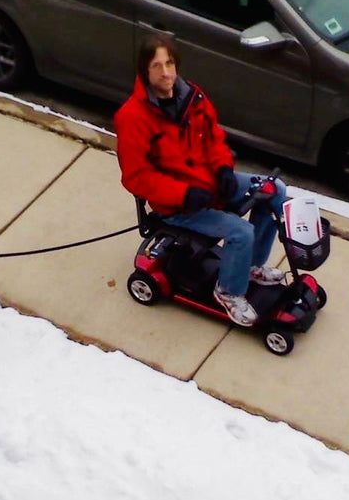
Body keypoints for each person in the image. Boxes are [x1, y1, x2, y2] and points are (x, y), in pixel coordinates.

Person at [114, 34, 286, 327]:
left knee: (275, 190)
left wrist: (222, 169)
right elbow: (136, 177)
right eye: (157, 66)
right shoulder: (132, 117)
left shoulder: (194, 97)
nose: (166, 72)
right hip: (179, 206)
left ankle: (250, 266)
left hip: (211, 185)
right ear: (144, 70)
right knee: (240, 232)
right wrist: (183, 194)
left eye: (169, 63)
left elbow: (214, 138)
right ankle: (229, 292)